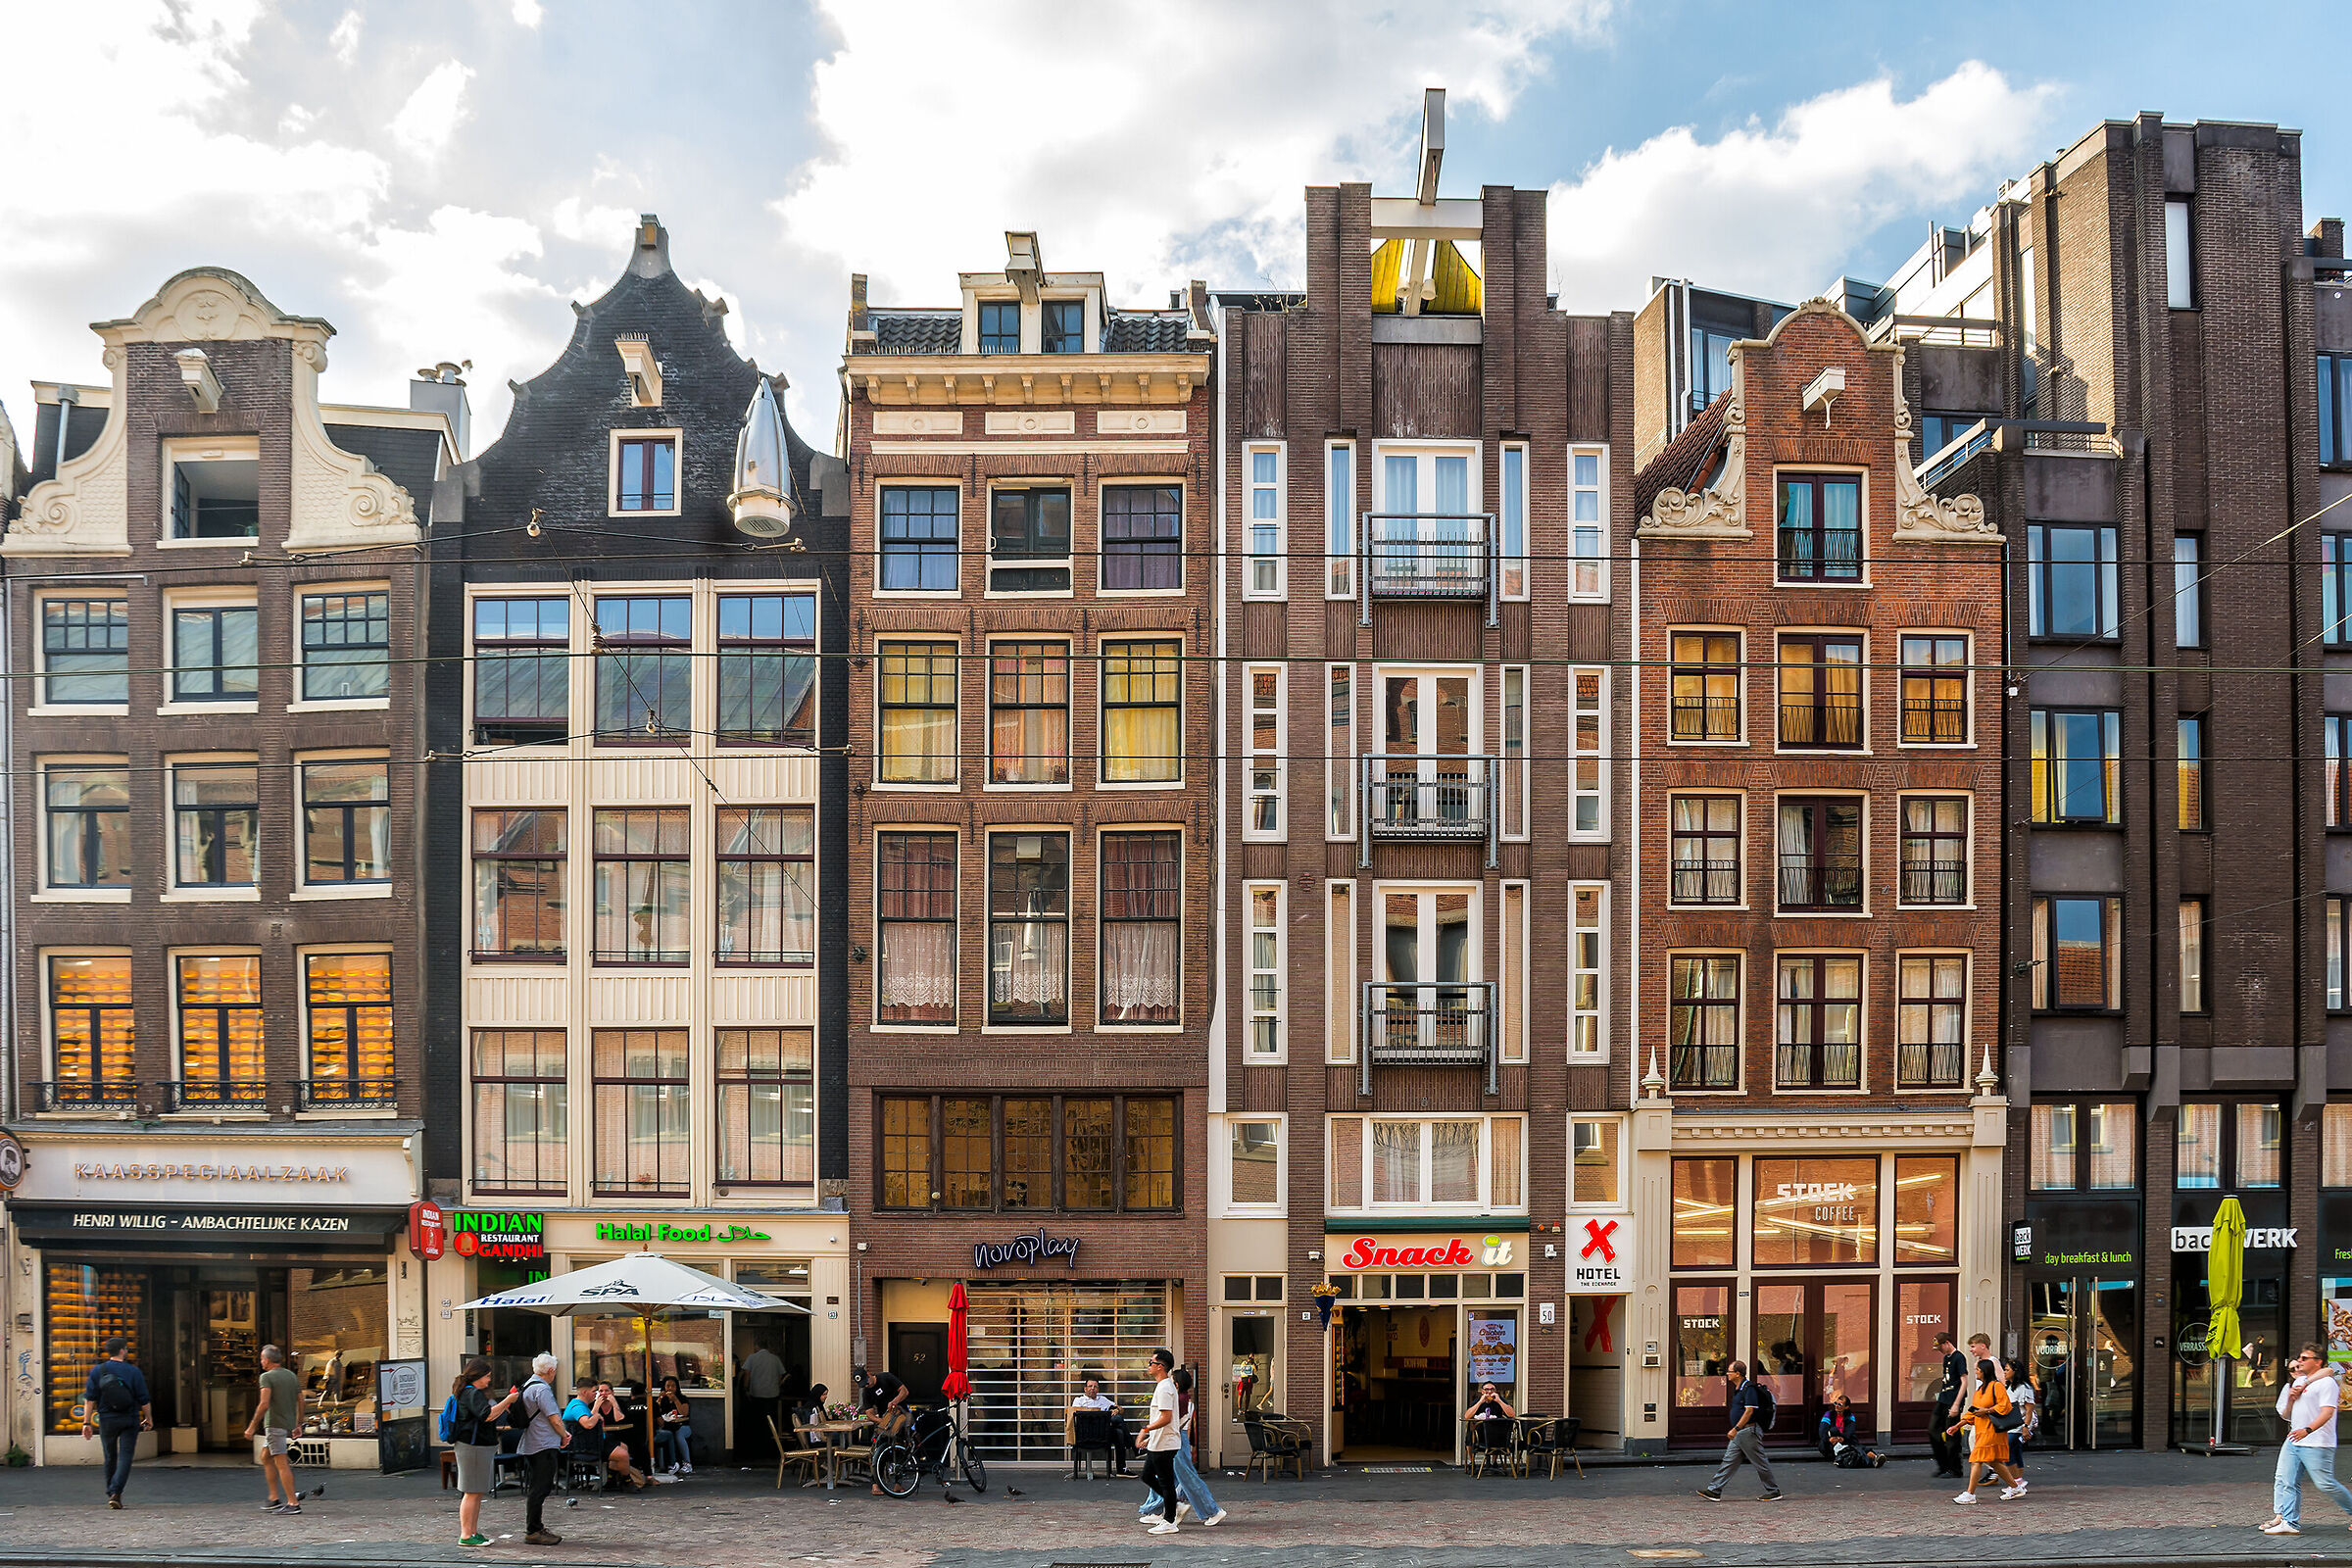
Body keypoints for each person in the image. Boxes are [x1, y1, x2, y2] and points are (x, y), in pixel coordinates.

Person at [2262, 1344, 2352, 1535]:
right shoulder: (2299, 1381)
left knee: (2325, 1483)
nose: (2299, 1361)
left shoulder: (2326, 1382)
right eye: (2299, 1358)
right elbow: (2287, 1415)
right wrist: (2291, 1400)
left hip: (2317, 1442)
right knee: (2287, 1480)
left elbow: (2327, 1412)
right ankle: (2289, 1522)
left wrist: (2307, 1430)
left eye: (2304, 1359)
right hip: (2294, 1440)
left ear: (2317, 1361)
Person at [1135, 1367, 1226, 1528]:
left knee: (1184, 1478)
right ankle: (1157, 1509)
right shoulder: (1184, 1399)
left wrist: (1148, 1436)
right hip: (1175, 1439)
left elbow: (1169, 1423)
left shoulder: (1178, 1399)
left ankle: (1212, 1510)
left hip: (1173, 1440)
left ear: (1176, 1384)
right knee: (1167, 1478)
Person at [451, 1356, 519, 1547]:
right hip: (473, 1447)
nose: (489, 1380)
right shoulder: (472, 1393)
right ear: (478, 1375)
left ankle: (472, 1532)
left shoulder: (469, 1393)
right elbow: (487, 1416)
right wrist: (508, 1400)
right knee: (472, 1491)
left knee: (477, 1491)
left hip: (477, 1446)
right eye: (487, 1376)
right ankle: (466, 1535)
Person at [79, 1336, 152, 1509]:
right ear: (122, 1351)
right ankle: (116, 1492)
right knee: (126, 1456)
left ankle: (110, 1491)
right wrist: (148, 1418)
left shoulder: (98, 1370)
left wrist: (86, 1423)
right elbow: (144, 1399)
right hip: (129, 1418)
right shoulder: (133, 1371)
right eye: (126, 1349)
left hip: (107, 1419)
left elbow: (89, 1399)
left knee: (110, 1456)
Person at [1698, 1359, 1782, 1503]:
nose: (1727, 1374)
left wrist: (1735, 1428)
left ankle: (1773, 1490)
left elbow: (1749, 1411)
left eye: (1729, 1371)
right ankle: (1714, 1490)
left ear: (1738, 1374)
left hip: (1748, 1431)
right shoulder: (1739, 1389)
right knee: (1729, 1461)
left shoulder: (1749, 1389)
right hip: (1741, 1432)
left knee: (1760, 1462)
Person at [1946, 1356, 2019, 1503]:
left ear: (1985, 1371)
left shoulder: (1996, 1386)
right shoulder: (1980, 1390)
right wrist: (1957, 1426)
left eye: (1978, 1370)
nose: (1976, 1372)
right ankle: (2015, 1487)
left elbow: (2005, 1406)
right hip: (1982, 1430)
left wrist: (1987, 1410)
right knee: (1995, 1462)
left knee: (1977, 1459)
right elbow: (1973, 1412)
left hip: (1992, 1430)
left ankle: (1970, 1494)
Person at [241, 1345, 303, 1515]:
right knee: (265, 1456)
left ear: (267, 1360)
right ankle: (274, 1497)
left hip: (274, 1425)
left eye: (261, 1359)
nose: (261, 1362)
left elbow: (264, 1404)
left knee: (281, 1463)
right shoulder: (291, 1376)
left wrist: (252, 1426)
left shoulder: (266, 1377)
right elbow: (301, 1401)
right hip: (287, 1424)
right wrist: (299, 1424)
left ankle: (293, 1502)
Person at [515, 1350, 568, 1547]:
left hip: (531, 1443)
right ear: (551, 1370)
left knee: (536, 1486)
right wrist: (564, 1435)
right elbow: (554, 1418)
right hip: (543, 1444)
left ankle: (535, 1527)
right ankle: (534, 1530)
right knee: (541, 1487)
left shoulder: (527, 1385)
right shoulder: (543, 1389)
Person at [1135, 1348, 1183, 1535]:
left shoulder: (1164, 1388)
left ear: (1161, 1367)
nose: (1149, 1366)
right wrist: (1150, 1437)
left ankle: (1170, 1520)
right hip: (1159, 1442)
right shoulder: (1163, 1386)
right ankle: (1173, 1506)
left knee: (1166, 1482)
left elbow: (1166, 1418)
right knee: (1147, 1475)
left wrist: (1145, 1430)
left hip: (1165, 1444)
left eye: (1151, 1363)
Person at [564, 1379, 646, 1489]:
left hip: (593, 1441)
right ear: (584, 1392)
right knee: (623, 1455)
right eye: (594, 1391)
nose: (597, 1394)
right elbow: (587, 1424)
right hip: (588, 1447)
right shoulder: (577, 1407)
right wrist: (597, 1416)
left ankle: (610, 1480)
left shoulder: (580, 1405)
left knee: (623, 1446)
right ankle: (627, 1481)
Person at [860, 1366, 910, 1496]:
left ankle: (898, 1484)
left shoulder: (886, 1377)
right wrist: (881, 1421)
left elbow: (904, 1391)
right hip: (886, 1419)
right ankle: (875, 1484)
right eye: (863, 1385)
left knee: (901, 1446)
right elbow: (869, 1413)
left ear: (869, 1374)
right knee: (879, 1446)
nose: (866, 1385)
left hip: (901, 1412)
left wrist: (894, 1401)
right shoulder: (866, 1392)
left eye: (866, 1381)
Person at [1928, 1332, 1968, 1478]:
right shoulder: (1946, 1358)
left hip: (1953, 1400)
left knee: (1952, 1436)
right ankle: (1943, 1464)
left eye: (1940, 1347)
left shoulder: (1959, 1357)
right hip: (1943, 1398)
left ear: (1947, 1343)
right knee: (1933, 1430)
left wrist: (1957, 1404)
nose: (1939, 1350)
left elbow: (1964, 1381)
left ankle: (1955, 1469)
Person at [1073, 1376, 1131, 1476]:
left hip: (1102, 1434)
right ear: (1085, 1389)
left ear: (1098, 1389)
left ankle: (1121, 1469)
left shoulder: (1103, 1400)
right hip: (1085, 1434)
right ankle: (1133, 1446)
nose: (1092, 1388)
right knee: (1117, 1421)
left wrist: (1116, 1410)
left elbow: (1121, 1409)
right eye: (1090, 1386)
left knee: (1119, 1431)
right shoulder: (1079, 1400)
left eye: (1095, 1387)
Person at [739, 1342, 786, 1454]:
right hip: (772, 1394)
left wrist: (746, 1389)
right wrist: (776, 1385)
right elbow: (781, 1375)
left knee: (757, 1420)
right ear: (768, 1347)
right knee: (770, 1421)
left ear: (757, 1347)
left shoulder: (752, 1358)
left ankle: (758, 1446)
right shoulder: (775, 1359)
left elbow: (747, 1374)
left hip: (757, 1394)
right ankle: (770, 1445)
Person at [1463, 1381, 1517, 1469]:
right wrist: (1480, 1402)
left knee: (1497, 1435)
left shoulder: (1499, 1400)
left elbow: (1512, 1414)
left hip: (1496, 1432)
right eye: (1487, 1390)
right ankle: (1471, 1462)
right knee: (1469, 1436)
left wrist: (1499, 1401)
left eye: (1492, 1389)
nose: (1489, 1392)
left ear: (1495, 1391)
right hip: (1480, 1433)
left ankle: (1494, 1462)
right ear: (1482, 1391)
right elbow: (1467, 1416)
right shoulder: (1478, 1401)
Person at [1820, 1395, 1884, 1467]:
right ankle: (1871, 1461)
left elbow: (1850, 1431)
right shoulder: (1828, 1414)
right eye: (1835, 1403)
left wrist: (1842, 1438)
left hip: (1845, 1440)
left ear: (1846, 1407)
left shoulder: (1850, 1416)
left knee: (1857, 1447)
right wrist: (1829, 1439)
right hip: (1831, 1441)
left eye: (1840, 1404)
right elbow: (1822, 1430)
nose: (1836, 1406)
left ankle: (1875, 1457)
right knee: (1833, 1433)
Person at [2002, 1358, 2036, 1486]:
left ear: (2015, 1371)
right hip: (2011, 1424)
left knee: (2008, 1451)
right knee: (2015, 1451)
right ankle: (2018, 1480)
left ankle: (2016, 1481)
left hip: (2019, 1425)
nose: (2004, 1372)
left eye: (2007, 1370)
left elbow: (2029, 1409)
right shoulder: (2010, 1386)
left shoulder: (2024, 1387)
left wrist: (2026, 1427)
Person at [652, 1376, 695, 1476]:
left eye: (673, 1386)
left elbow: (684, 1413)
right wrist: (659, 1399)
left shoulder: (682, 1398)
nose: (670, 1388)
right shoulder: (663, 1400)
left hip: (682, 1426)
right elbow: (656, 1413)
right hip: (667, 1426)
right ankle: (667, 1464)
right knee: (664, 1434)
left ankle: (687, 1463)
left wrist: (676, 1400)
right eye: (668, 1386)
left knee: (678, 1435)